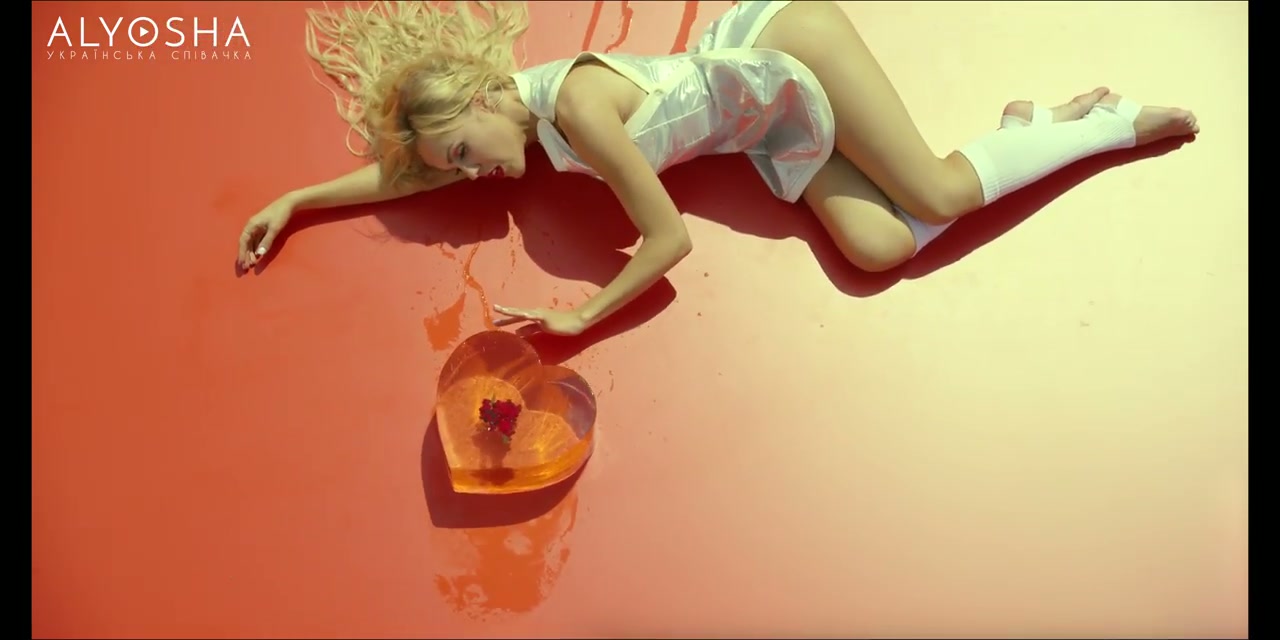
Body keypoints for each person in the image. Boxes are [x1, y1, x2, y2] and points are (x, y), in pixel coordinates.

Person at [236, 0, 1197, 336]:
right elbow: (411, 177)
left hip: (788, 50)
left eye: (460, 154)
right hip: (764, 122)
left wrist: (578, 316)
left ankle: (1100, 125)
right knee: (880, 249)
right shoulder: (507, 121)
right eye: (451, 166)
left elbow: (668, 242)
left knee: (939, 193)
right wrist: (296, 201)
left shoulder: (577, 112)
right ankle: (1019, 130)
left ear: (485, 100)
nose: (464, 176)